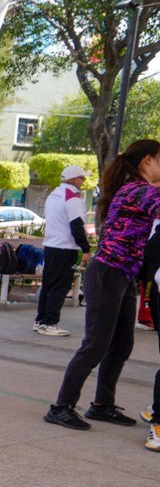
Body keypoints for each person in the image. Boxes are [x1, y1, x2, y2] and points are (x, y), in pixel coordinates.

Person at [44, 139, 160, 430]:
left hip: (124, 275)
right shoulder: (139, 191)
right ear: (148, 161)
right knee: (96, 343)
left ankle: (102, 405)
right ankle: (61, 406)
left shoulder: (137, 189)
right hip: (108, 272)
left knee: (122, 343)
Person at [35, 165, 91, 337]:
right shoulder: (72, 197)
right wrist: (86, 248)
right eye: (82, 178)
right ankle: (49, 323)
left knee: (48, 285)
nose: (83, 181)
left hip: (51, 246)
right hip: (65, 248)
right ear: (74, 179)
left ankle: (40, 320)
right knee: (60, 286)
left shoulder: (54, 194)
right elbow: (76, 225)